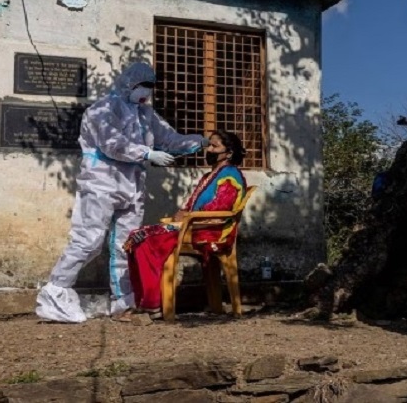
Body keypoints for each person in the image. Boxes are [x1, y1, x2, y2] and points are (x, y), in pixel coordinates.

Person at [36, 62, 207, 323]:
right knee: (89, 240)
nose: (146, 93)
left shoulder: (145, 114)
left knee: (126, 245)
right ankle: (55, 292)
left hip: (132, 186)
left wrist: (198, 142)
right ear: (129, 84)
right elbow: (111, 143)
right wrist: (146, 153)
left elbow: (168, 138)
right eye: (142, 87)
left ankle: (123, 303)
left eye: (150, 88)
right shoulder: (102, 109)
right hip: (100, 183)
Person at [124, 130, 248, 317]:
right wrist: (183, 214)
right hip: (193, 226)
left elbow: (219, 208)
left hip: (210, 231)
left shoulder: (230, 175)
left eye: (215, 146)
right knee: (137, 236)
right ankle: (145, 301)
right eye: (209, 145)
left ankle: (153, 304)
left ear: (229, 153)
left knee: (147, 240)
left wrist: (188, 216)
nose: (210, 149)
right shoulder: (209, 176)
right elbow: (191, 205)